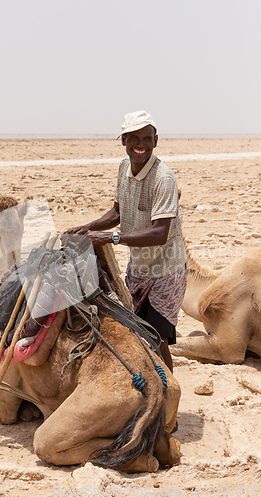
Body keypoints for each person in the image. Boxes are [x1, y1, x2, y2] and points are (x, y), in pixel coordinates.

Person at [67, 110, 186, 372]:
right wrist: (86, 228)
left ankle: (169, 397)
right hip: (139, 269)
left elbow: (160, 232)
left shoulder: (163, 179)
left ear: (156, 140)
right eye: (134, 138)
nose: (140, 144)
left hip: (166, 271)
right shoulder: (124, 168)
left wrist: (110, 237)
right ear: (123, 141)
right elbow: (117, 213)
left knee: (157, 338)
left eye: (146, 138)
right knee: (134, 332)